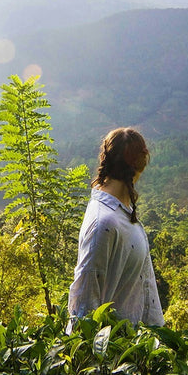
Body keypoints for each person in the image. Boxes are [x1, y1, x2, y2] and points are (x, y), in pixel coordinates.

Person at [67, 127, 164, 329]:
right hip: (112, 354)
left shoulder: (121, 214)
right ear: (141, 163)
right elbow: (83, 306)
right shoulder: (103, 223)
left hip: (132, 351)